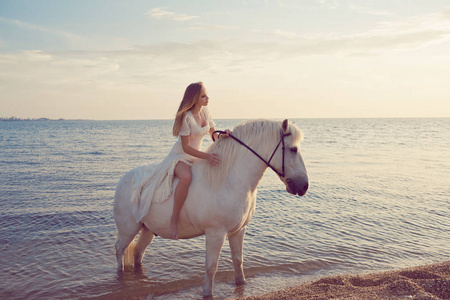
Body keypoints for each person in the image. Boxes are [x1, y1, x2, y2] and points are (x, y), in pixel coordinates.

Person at [168, 82, 231, 239]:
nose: (207, 98)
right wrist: (207, 156)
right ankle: (174, 219)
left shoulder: (205, 112)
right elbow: (186, 148)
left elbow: (212, 135)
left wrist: (222, 136)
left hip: (197, 155)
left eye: (206, 94)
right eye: (203, 96)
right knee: (185, 178)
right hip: (181, 156)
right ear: (195, 98)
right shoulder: (186, 118)